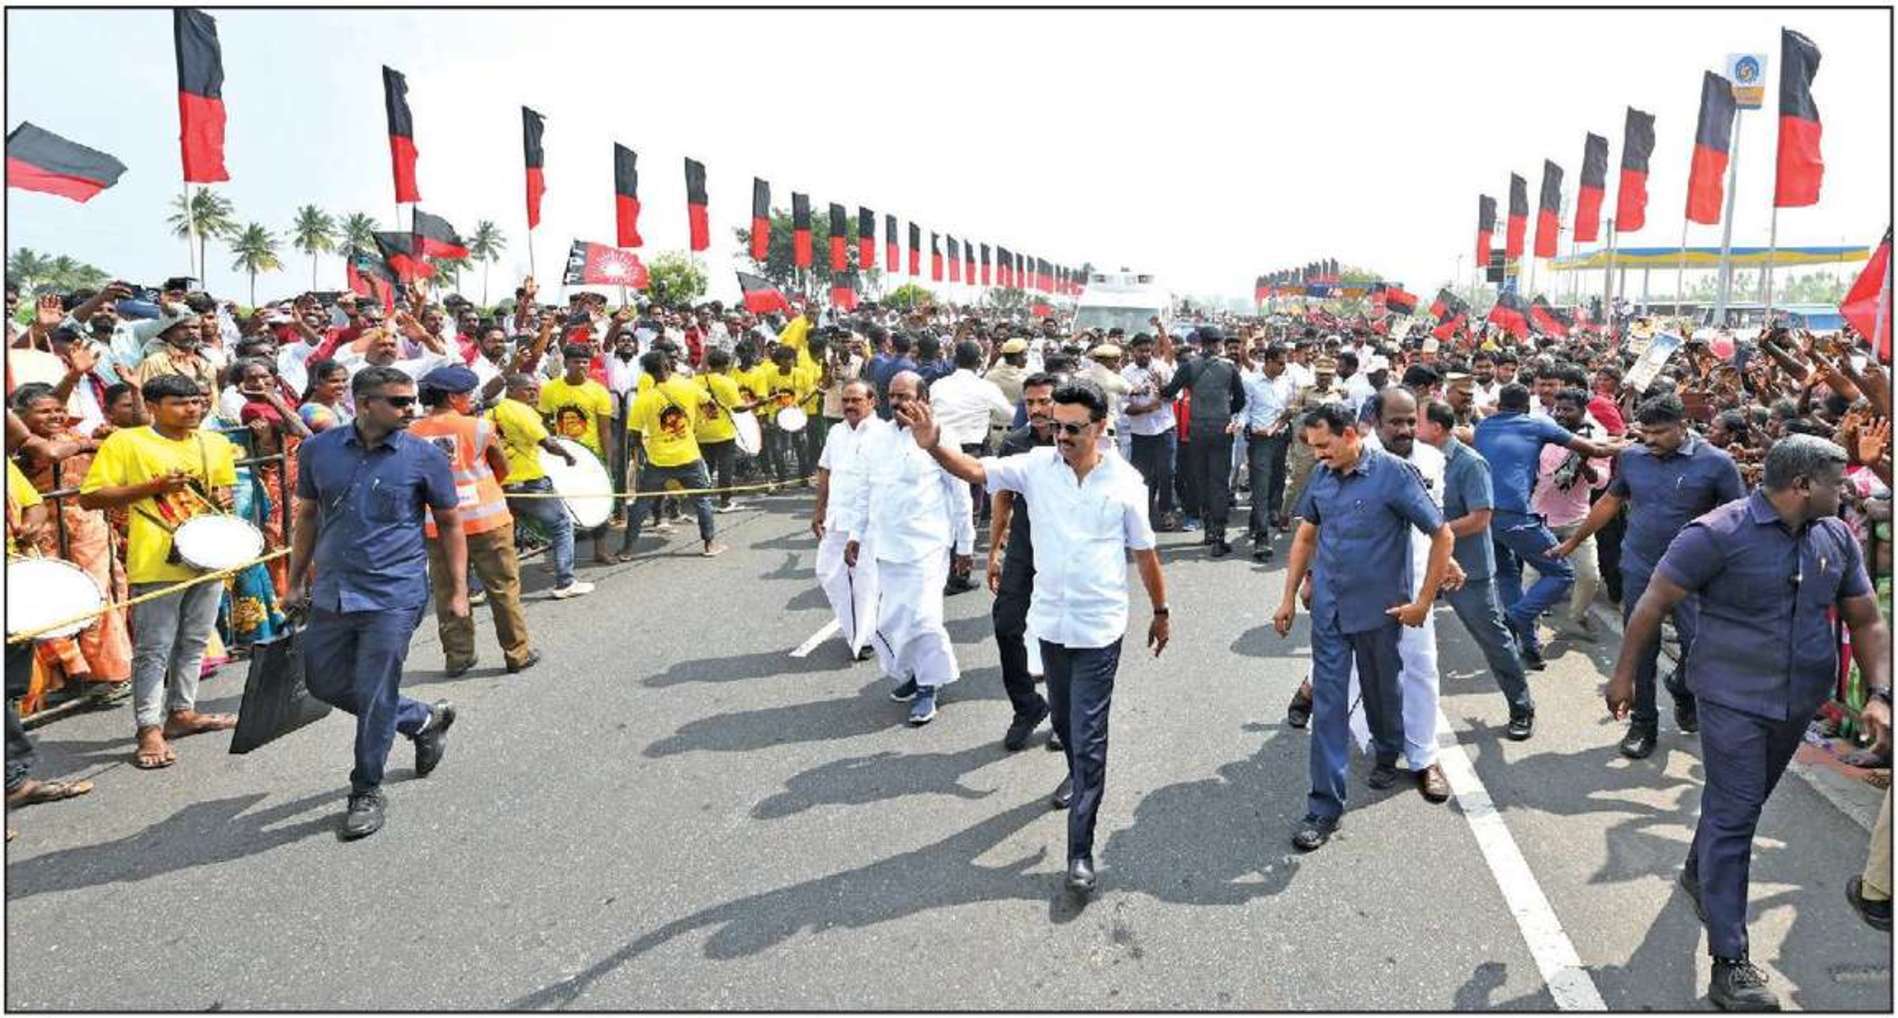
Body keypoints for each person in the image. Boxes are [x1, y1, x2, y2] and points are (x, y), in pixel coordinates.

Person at [1613, 435, 1888, 1010]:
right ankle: (1730, 962)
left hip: (1797, 704)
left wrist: (1879, 693)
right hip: (1731, 700)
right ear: (1802, 485)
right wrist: (1624, 676)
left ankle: (1699, 870)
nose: (1845, 492)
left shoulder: (1835, 535)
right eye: (1836, 483)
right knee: (1737, 816)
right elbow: (1653, 602)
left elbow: (1865, 618)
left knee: (1738, 804)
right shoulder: (1716, 533)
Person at [902, 376, 1169, 896]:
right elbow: (975, 470)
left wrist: (1161, 611)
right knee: (1066, 724)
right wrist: (934, 444)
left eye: (1073, 428)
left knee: (1088, 736)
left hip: (1099, 627)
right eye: (1056, 426)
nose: (1061, 436)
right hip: (1050, 624)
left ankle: (1080, 852)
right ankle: (1076, 770)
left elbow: (1145, 553)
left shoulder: (1126, 483)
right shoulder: (1036, 467)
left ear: (1100, 427)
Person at [285, 365, 464, 840]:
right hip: (333, 590)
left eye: (412, 400)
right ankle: (422, 719)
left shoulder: (425, 456)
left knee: (375, 690)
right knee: (323, 682)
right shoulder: (318, 450)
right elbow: (307, 516)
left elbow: (450, 523)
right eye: (399, 401)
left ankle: (366, 789)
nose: (411, 409)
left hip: (394, 593)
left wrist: (458, 591)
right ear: (364, 404)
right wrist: (295, 581)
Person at [1272, 401, 1451, 851]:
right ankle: (1323, 808)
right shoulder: (1322, 477)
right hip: (1330, 613)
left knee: (1382, 692)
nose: (1318, 455)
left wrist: (1423, 602)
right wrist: (1288, 596)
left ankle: (1388, 750)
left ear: (1350, 433)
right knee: (1329, 707)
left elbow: (1442, 534)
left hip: (1380, 614)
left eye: (1324, 445)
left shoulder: (1395, 475)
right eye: (1313, 447)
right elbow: (1306, 535)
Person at [1551, 393, 1745, 758]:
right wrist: (1574, 541)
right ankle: (1643, 723)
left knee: (1700, 646)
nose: (1650, 440)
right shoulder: (1633, 458)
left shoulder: (1717, 463)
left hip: (1694, 575)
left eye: (1659, 433)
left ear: (1683, 426)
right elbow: (1609, 501)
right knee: (1641, 647)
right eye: (1646, 432)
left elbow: (1738, 518)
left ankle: (1683, 687)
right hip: (1641, 568)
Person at [77, 374, 239, 770]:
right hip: (155, 560)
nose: (192, 409)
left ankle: (182, 712)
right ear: (152, 407)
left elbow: (223, 495)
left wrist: (224, 503)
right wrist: (153, 487)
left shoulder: (214, 443)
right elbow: (91, 497)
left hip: (209, 555)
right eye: (180, 403)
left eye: (196, 401)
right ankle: (148, 727)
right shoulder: (126, 442)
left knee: (195, 640)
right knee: (154, 648)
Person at [842, 371, 973, 727]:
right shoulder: (876, 437)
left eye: (904, 396)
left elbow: (960, 493)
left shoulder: (940, 435)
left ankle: (929, 686)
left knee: (924, 619)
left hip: (927, 545)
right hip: (886, 546)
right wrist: (855, 534)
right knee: (893, 621)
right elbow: (865, 491)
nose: (897, 402)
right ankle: (915, 673)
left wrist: (965, 545)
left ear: (923, 399)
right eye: (892, 396)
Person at [1472, 382, 1623, 671]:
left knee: (1509, 578)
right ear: (1526, 408)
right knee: (1562, 573)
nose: (1561, 413)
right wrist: (1632, 444)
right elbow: (1596, 449)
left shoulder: (1484, 427)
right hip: (1517, 515)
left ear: (1500, 405)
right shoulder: (1536, 424)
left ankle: (1530, 648)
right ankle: (1513, 619)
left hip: (1485, 515)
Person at [409, 365, 538, 676]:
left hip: (438, 525)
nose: (470, 398)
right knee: (503, 588)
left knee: (448, 590)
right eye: (466, 394)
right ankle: (517, 653)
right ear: (452, 397)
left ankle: (458, 656)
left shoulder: (412, 432)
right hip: (487, 521)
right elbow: (501, 467)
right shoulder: (479, 427)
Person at [1418, 399, 1536, 738]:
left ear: (1436, 428)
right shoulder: (1415, 458)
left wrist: (1434, 532)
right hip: (1421, 562)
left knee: (1493, 638)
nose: (1411, 428)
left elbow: (1480, 519)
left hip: (1466, 569)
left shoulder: (1470, 463)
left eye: (1417, 422)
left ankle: (1521, 707)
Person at [6, 458, 95, 839]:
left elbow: (34, 503)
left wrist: (32, 522)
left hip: (14, 587)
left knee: (8, 693)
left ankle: (13, 782)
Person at [984, 372, 1066, 753]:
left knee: (1062, 635)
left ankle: (1065, 718)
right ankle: (1027, 705)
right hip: (1023, 546)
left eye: (1044, 400)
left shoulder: (1079, 441)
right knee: (1006, 624)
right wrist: (994, 552)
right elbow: (1002, 498)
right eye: (1029, 402)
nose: (1036, 408)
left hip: (1065, 551)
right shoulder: (1015, 444)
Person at [489, 374, 592, 597]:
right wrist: (568, 456)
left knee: (498, 537)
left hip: (500, 484)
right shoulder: (523, 412)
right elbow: (548, 443)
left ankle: (478, 588)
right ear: (511, 389)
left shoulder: (492, 413)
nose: (534, 394)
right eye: (528, 389)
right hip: (529, 483)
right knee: (561, 525)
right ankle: (565, 582)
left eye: (536, 389)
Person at [620, 350, 726, 559]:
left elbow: (634, 433)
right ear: (667, 366)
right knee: (701, 500)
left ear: (648, 373)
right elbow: (712, 406)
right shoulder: (687, 386)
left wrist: (642, 453)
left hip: (658, 460)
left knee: (642, 504)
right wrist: (701, 421)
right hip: (689, 456)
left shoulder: (644, 398)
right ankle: (709, 544)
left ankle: (627, 549)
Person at [809, 380, 887, 663]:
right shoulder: (836, 432)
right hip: (837, 517)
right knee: (828, 573)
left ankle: (862, 638)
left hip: (868, 521)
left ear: (872, 401)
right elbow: (825, 471)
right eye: (846, 400)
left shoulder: (883, 433)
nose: (850, 405)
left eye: (856, 400)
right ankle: (861, 631)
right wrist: (819, 509)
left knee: (864, 580)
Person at [1529, 386, 1609, 641]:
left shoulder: (1597, 437)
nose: (1561, 414)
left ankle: (1577, 617)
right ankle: (1529, 629)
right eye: (1558, 409)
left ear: (1583, 411)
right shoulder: (1543, 432)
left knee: (1589, 576)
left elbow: (1601, 482)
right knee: (1530, 580)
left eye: (1568, 410)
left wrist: (1584, 461)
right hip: (1540, 518)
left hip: (1577, 520)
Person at [1161, 326, 1247, 557]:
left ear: (1201, 343)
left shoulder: (1189, 366)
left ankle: (1208, 528)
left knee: (1201, 479)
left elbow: (1169, 391)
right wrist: (1225, 411)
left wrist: (1157, 386)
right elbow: (1240, 400)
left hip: (1197, 430)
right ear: (1219, 344)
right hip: (1221, 429)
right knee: (1219, 482)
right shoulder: (1229, 368)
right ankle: (1219, 535)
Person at [541, 344, 617, 565]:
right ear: (566, 364)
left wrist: (607, 461)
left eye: (585, 362)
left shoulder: (599, 391)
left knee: (600, 502)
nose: (582, 366)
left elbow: (605, 429)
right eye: (576, 362)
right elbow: (543, 422)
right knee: (563, 506)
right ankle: (560, 559)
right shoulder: (550, 389)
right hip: (562, 456)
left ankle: (600, 551)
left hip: (592, 456)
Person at [1238, 342, 1294, 561]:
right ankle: (1262, 539)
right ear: (1268, 361)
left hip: (1281, 439)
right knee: (1260, 487)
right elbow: (1245, 410)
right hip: (1260, 440)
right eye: (1280, 363)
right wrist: (1240, 424)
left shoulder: (1286, 382)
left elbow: (1288, 411)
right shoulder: (1250, 382)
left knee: (1275, 486)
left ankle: (1256, 521)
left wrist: (1279, 426)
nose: (1283, 367)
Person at [1120, 334, 1177, 531]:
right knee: (1142, 475)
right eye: (1140, 351)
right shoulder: (1126, 374)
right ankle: (1142, 511)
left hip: (1164, 428)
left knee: (1166, 471)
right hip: (1140, 432)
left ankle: (1166, 510)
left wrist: (1163, 389)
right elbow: (1124, 407)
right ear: (1132, 351)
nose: (1145, 354)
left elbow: (1175, 396)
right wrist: (1146, 408)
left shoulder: (1163, 368)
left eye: (1147, 350)